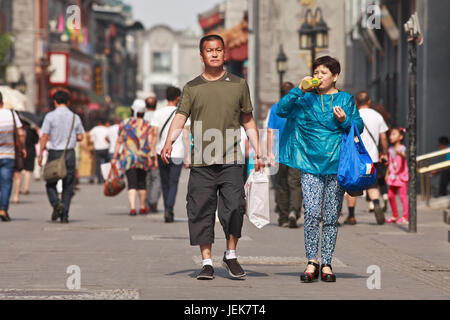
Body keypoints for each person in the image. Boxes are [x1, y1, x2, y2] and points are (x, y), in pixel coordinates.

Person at [161, 34, 264, 281]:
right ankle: (206, 262)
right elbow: (181, 117)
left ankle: (230, 255)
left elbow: (248, 119)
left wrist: (258, 149)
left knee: (235, 208)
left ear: (224, 54)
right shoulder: (192, 88)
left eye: (219, 50)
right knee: (200, 210)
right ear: (202, 56)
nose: (215, 54)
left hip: (231, 159)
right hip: (201, 160)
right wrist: (169, 140)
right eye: (210, 50)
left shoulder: (238, 84)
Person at [277, 56, 364, 283]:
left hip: (337, 165)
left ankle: (326, 262)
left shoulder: (345, 99)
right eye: (316, 72)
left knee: (331, 216)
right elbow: (281, 111)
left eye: (323, 73)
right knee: (313, 213)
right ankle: (311, 261)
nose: (318, 77)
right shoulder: (305, 99)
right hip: (309, 163)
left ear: (335, 76)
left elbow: (359, 127)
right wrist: (298, 89)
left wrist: (345, 120)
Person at [38, 89, 85, 223]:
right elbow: (80, 136)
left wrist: (41, 154)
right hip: (69, 153)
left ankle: (56, 204)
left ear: (55, 102)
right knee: (68, 185)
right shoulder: (75, 117)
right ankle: (64, 216)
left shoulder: (50, 116)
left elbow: (45, 136)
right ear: (68, 102)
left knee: (50, 183)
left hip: (54, 153)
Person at [344, 91, 389, 226]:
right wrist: (384, 153)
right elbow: (383, 138)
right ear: (369, 101)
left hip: (356, 157)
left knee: (353, 184)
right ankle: (376, 204)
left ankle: (351, 216)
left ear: (356, 103)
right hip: (372, 157)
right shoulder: (378, 116)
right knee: (372, 184)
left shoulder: (353, 116)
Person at [150, 86, 190, 222]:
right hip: (177, 153)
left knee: (164, 182)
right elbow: (185, 135)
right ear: (178, 98)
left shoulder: (157, 113)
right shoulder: (182, 113)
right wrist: (188, 155)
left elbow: (154, 135)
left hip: (161, 152)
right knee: (173, 182)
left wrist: (152, 152)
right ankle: (169, 209)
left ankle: (167, 207)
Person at [267, 81, 303, 229]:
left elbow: (270, 131)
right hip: (297, 153)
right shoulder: (300, 108)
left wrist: (269, 152)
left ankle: (283, 217)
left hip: (279, 153)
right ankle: (294, 211)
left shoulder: (276, 108)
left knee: (281, 185)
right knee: (295, 184)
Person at [111, 99, 153, 216]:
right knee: (142, 183)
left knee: (131, 183)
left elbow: (119, 141)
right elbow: (150, 143)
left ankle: (133, 208)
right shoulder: (147, 125)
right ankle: (143, 206)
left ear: (132, 109)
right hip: (143, 158)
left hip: (128, 158)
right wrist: (151, 157)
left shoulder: (125, 124)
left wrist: (115, 156)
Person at [0, 92, 26, 221]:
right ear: (2, 102)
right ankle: (3, 209)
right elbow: (21, 133)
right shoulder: (11, 114)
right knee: (6, 183)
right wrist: (22, 148)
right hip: (8, 155)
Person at [385, 127, 409, 224]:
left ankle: (405, 217)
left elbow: (405, 157)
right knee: (390, 195)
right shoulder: (390, 149)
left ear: (400, 137)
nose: (391, 136)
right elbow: (390, 162)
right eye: (390, 134)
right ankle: (395, 216)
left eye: (394, 134)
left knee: (403, 196)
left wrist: (402, 154)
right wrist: (387, 174)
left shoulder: (402, 148)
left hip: (402, 176)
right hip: (393, 177)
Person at [11, 122, 39, 203]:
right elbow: (36, 140)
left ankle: (18, 190)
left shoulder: (14, 130)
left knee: (17, 173)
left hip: (16, 152)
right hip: (29, 151)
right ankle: (25, 188)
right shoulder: (31, 131)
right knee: (27, 171)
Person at [144, 94, 161, 213]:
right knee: (156, 178)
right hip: (155, 150)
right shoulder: (158, 116)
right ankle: (153, 201)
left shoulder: (140, 117)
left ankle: (144, 203)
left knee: (145, 179)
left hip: (142, 152)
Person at [89, 119, 110, 184]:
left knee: (98, 164)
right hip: (106, 148)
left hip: (97, 148)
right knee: (106, 164)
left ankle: (99, 179)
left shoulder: (95, 129)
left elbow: (89, 135)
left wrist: (93, 140)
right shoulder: (106, 129)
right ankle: (105, 178)